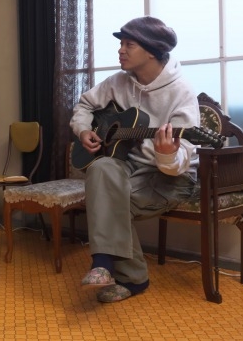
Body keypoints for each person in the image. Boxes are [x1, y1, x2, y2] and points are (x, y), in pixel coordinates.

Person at [70, 16, 199, 303]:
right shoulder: (118, 81)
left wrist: (166, 154)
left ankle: (124, 274)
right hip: (128, 168)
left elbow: (182, 158)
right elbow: (85, 104)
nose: (121, 50)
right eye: (121, 44)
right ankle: (108, 267)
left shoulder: (181, 93)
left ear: (151, 51)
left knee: (107, 199)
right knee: (101, 166)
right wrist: (83, 130)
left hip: (171, 177)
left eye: (129, 45)